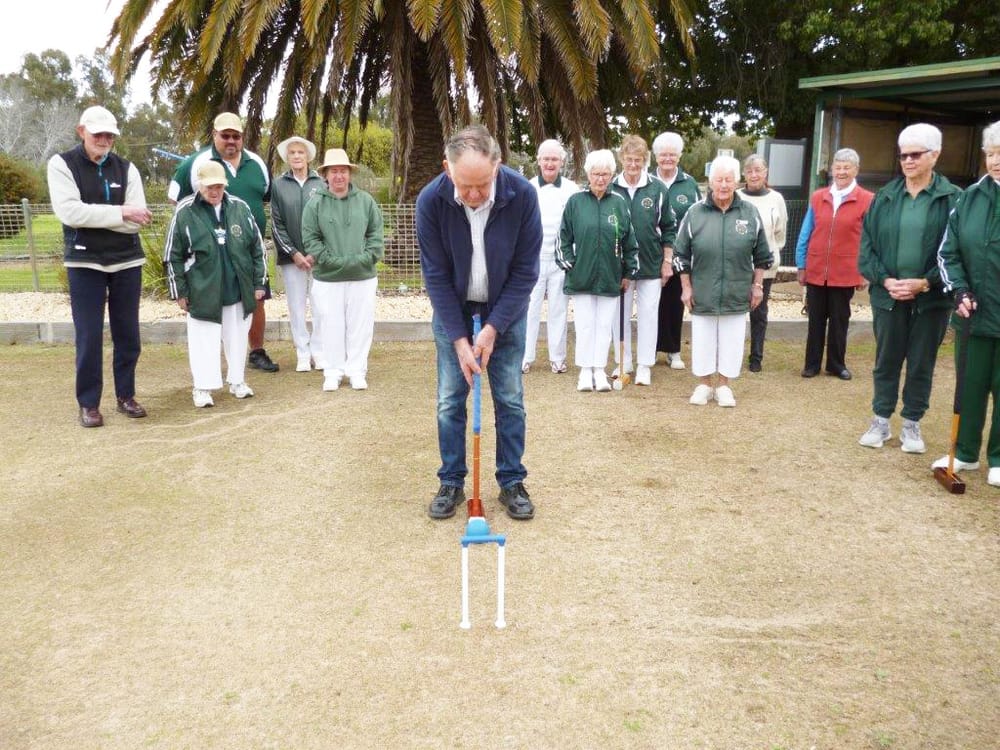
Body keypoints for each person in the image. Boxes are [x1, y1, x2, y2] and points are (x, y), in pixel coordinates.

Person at [417, 125, 541, 521]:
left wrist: (492, 329)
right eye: (464, 185)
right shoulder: (431, 200)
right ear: (447, 169)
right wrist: (459, 339)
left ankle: (511, 481)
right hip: (453, 306)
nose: (473, 195)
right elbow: (435, 275)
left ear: (498, 167)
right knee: (450, 399)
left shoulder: (521, 195)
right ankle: (451, 480)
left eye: (482, 185)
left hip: (505, 308)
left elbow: (525, 272)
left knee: (510, 399)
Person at [47, 105, 153, 428]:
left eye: (109, 134)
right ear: (82, 132)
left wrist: (100, 217)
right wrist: (121, 213)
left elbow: (139, 222)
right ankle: (89, 404)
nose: (104, 140)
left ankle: (126, 396)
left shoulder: (127, 168)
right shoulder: (62, 164)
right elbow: (71, 213)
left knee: (128, 335)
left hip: (127, 261)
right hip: (84, 263)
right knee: (89, 336)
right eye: (98, 134)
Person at [858, 123, 960, 451]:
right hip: (888, 296)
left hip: (931, 300)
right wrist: (886, 279)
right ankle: (881, 421)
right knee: (886, 359)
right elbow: (867, 248)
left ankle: (912, 424)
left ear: (935, 155)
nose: (908, 161)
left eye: (916, 154)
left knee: (921, 361)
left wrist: (925, 282)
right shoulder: (885, 197)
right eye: (903, 155)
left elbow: (957, 251)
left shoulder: (954, 199)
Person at [169, 112, 277, 372]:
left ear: (242, 137)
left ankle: (256, 351)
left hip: (247, 250)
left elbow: (265, 197)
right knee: (211, 304)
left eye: (236, 136)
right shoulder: (196, 162)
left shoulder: (257, 163)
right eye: (225, 135)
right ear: (214, 135)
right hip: (209, 255)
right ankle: (212, 362)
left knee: (255, 301)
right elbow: (175, 198)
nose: (231, 141)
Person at [164, 160, 267, 408]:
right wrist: (179, 291)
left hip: (238, 287)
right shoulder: (185, 211)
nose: (214, 191)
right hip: (202, 289)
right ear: (200, 185)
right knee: (203, 340)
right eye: (209, 186)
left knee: (238, 336)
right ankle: (202, 387)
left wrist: (259, 283)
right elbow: (172, 254)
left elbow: (257, 249)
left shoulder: (240, 208)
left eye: (219, 186)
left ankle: (237, 381)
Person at [673, 155, 771, 407]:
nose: (724, 185)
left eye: (729, 179)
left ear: (737, 182)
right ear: (710, 182)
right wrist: (686, 286)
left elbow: (762, 255)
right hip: (702, 290)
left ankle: (725, 386)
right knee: (704, 338)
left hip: (737, 290)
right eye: (719, 180)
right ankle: (704, 385)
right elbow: (680, 253)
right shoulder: (694, 213)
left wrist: (757, 285)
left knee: (732, 339)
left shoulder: (750, 213)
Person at [933, 120, 1000, 484]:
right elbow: (949, 251)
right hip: (971, 315)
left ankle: (999, 459)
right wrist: (959, 290)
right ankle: (967, 452)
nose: (996, 161)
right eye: (991, 153)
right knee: (970, 384)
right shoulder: (970, 197)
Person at [301, 149, 384, 391]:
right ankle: (333, 371)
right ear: (326, 175)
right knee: (330, 324)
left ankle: (357, 370)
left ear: (349, 173)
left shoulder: (366, 201)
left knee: (360, 324)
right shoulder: (314, 204)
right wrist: (332, 261)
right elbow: (311, 239)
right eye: (334, 171)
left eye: (343, 171)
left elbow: (375, 235)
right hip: (327, 278)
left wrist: (365, 259)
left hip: (363, 276)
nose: (339, 176)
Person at [557, 149, 639, 392]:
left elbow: (630, 242)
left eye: (605, 174)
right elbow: (563, 238)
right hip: (581, 276)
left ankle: (599, 370)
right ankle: (584, 371)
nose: (600, 179)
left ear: (611, 175)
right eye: (596, 173)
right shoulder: (575, 202)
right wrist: (569, 263)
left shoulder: (619, 203)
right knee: (584, 325)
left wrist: (628, 272)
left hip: (611, 277)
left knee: (604, 326)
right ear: (588, 174)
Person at [796, 148, 873, 381]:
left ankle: (836, 364)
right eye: (837, 167)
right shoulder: (818, 197)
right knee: (815, 319)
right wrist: (802, 265)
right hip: (817, 269)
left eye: (846, 167)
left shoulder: (867, 199)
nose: (841, 172)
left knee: (840, 320)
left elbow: (871, 238)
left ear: (856, 170)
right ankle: (811, 364)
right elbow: (806, 232)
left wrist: (865, 271)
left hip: (846, 272)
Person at [610, 135, 676, 386]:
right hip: (620, 267)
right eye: (629, 160)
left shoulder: (657, 188)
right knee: (620, 315)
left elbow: (669, 227)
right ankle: (623, 362)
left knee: (649, 314)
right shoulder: (612, 187)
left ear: (645, 160)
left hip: (651, 264)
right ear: (622, 159)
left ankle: (645, 365)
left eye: (638, 160)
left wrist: (667, 261)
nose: (633, 165)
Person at [522, 139, 578, 375]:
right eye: (545, 158)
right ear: (539, 161)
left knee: (558, 310)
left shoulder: (572, 190)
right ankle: (524, 357)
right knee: (529, 309)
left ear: (562, 162)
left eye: (554, 159)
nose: (549, 163)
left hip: (560, 260)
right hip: (533, 259)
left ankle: (558, 359)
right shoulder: (528, 188)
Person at [271, 136, 326, 373]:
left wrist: (314, 252)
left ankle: (319, 351)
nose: (296, 156)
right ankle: (302, 353)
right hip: (290, 259)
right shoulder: (278, 184)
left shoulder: (320, 183)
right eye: (292, 152)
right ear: (287, 157)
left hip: (318, 258)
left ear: (307, 156)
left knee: (320, 306)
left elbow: (326, 220)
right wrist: (293, 253)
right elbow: (276, 222)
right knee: (296, 306)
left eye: (300, 152)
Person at [651, 131, 702, 370]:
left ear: (679, 156)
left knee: (674, 303)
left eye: (672, 154)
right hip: (651, 254)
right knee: (651, 304)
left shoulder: (689, 184)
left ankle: (673, 350)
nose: (668, 159)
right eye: (663, 155)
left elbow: (697, 218)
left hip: (680, 254)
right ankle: (649, 350)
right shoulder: (647, 180)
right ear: (656, 156)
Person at [737, 154, 787, 372]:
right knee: (736, 313)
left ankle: (756, 357)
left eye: (758, 170)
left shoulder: (776, 199)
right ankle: (732, 355)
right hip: (737, 265)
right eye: (749, 171)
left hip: (764, 267)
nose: (754, 175)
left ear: (765, 172)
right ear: (744, 174)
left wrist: (769, 255)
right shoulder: (737, 196)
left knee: (759, 312)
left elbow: (779, 234)